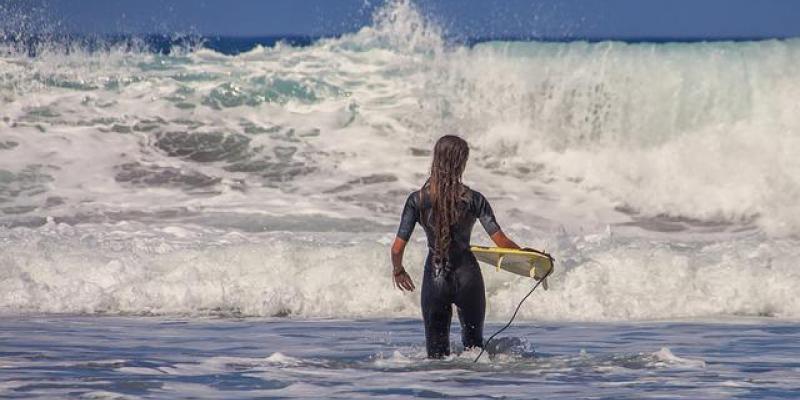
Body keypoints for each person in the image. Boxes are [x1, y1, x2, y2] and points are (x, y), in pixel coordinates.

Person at [390, 135, 521, 359]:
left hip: (435, 278)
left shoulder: (417, 200)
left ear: (436, 160)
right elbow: (501, 242)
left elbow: (396, 248)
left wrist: (398, 270)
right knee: (475, 352)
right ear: (461, 163)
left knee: (436, 357)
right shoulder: (474, 199)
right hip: (469, 278)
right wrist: (529, 257)